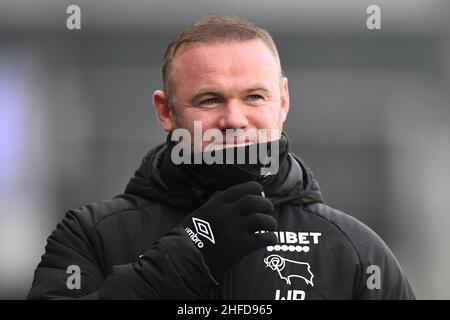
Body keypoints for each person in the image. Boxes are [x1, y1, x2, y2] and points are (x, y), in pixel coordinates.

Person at [27, 15, 415, 300]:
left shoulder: (354, 250)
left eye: (254, 97)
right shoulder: (91, 235)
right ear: (166, 112)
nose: (233, 119)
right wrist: (188, 256)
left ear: (283, 102)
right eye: (210, 99)